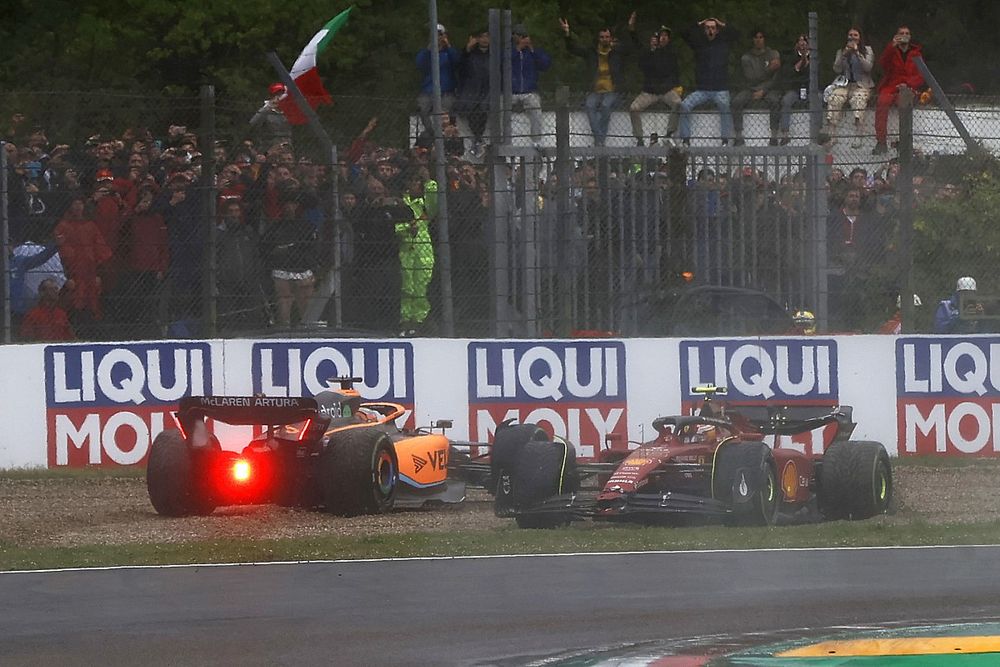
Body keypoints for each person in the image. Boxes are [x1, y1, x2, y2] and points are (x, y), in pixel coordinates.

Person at [560, 14, 634, 146]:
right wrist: (567, 34)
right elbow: (573, 49)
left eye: (607, 37)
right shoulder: (591, 52)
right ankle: (600, 139)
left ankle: (598, 141)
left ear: (611, 38)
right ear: (598, 38)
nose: (604, 39)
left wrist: (631, 29)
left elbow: (633, 46)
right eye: (602, 37)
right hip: (595, 89)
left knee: (606, 106)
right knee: (589, 106)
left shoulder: (617, 52)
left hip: (612, 89)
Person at [676, 17, 740, 145]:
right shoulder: (699, 44)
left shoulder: (723, 42)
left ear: (717, 30)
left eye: (713, 27)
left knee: (725, 106)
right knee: (685, 105)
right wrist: (698, 23)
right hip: (702, 90)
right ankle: (685, 139)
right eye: (708, 27)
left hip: (720, 89)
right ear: (704, 30)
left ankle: (725, 140)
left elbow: (736, 33)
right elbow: (683, 33)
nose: (710, 30)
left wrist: (722, 23)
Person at [873, 26, 925, 155]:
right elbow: (883, 65)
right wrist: (891, 46)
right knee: (882, 103)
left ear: (910, 36)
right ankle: (881, 142)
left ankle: (905, 142)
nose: (904, 35)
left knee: (905, 106)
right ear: (896, 35)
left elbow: (921, 75)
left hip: (908, 87)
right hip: (891, 86)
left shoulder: (916, 53)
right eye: (901, 33)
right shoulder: (892, 50)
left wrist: (907, 84)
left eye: (907, 33)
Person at [628, 24, 683, 146]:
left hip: (666, 90)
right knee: (634, 108)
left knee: (678, 103)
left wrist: (676, 86)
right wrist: (651, 50)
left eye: (666, 36)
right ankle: (639, 138)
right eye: (661, 36)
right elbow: (640, 55)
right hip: (649, 91)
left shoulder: (670, 52)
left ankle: (669, 133)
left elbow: (674, 71)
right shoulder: (648, 52)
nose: (663, 38)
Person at [397, 174, 438, 335]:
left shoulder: (424, 205)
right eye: (412, 181)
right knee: (406, 287)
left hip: (423, 251)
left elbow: (434, 203)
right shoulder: (400, 202)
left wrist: (429, 181)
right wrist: (406, 228)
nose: (415, 184)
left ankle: (419, 321)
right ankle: (405, 320)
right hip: (405, 249)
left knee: (422, 287)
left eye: (418, 182)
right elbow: (391, 225)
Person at [825, 27, 875, 148]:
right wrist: (843, 55)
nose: (852, 37)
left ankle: (858, 136)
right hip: (845, 84)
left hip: (861, 84)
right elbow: (836, 69)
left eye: (855, 35)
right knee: (834, 98)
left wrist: (857, 53)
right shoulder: (841, 51)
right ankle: (832, 137)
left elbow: (868, 67)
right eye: (850, 35)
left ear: (860, 37)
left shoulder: (867, 50)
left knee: (858, 99)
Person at [730, 29, 781, 146]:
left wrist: (764, 90)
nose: (758, 40)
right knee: (737, 101)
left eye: (761, 37)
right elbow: (751, 77)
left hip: (768, 88)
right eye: (756, 37)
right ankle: (738, 136)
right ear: (752, 40)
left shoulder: (773, 53)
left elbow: (775, 78)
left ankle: (774, 136)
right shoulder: (746, 57)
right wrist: (770, 69)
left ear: (765, 39)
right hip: (750, 88)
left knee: (775, 101)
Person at [510, 24, 552, 147]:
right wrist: (517, 49)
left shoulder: (532, 52)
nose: (523, 39)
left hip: (529, 91)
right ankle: (503, 139)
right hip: (510, 92)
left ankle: (537, 141)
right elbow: (503, 63)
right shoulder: (509, 51)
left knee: (535, 106)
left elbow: (545, 65)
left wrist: (532, 49)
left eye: (525, 36)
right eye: (520, 36)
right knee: (501, 108)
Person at [416, 24, 461, 136]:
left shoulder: (449, 52)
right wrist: (429, 49)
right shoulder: (425, 53)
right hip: (428, 90)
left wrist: (448, 45)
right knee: (423, 107)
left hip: (446, 90)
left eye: (440, 34)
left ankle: (447, 134)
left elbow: (457, 62)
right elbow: (420, 64)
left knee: (446, 109)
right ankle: (431, 133)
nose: (437, 37)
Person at [454, 28, 491, 157]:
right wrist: (467, 50)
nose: (485, 39)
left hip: (488, 90)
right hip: (471, 90)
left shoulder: (496, 54)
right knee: (469, 109)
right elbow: (458, 67)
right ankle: (475, 141)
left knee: (484, 109)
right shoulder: (469, 55)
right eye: (482, 36)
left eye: (488, 36)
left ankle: (480, 140)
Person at [775, 34, 811, 145]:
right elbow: (789, 73)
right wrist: (802, 60)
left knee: (817, 100)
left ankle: (817, 132)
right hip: (795, 89)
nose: (803, 43)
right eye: (800, 40)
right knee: (786, 100)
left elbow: (815, 73)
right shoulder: (791, 57)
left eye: (805, 40)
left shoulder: (815, 56)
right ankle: (785, 134)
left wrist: (807, 59)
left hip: (810, 89)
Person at [19, 278, 74, 342]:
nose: (56, 291)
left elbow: (70, 337)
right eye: (51, 289)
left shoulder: (61, 314)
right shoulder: (32, 315)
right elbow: (26, 338)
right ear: (42, 292)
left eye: (56, 289)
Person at [249, 83, 293, 151]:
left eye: (281, 94)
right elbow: (253, 123)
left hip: (287, 148)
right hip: (269, 149)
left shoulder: (288, 112)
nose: (279, 97)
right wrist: (269, 106)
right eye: (277, 94)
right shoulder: (266, 110)